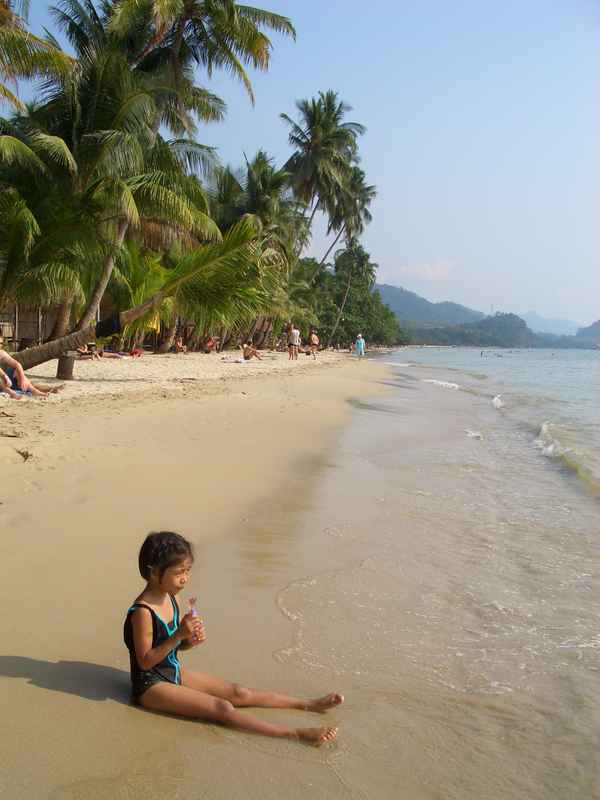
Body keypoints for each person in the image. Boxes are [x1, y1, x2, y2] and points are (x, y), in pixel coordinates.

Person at [124, 532, 341, 745]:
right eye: (179, 572)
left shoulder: (172, 597)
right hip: (150, 686)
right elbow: (145, 661)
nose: (185, 578)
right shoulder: (143, 611)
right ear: (154, 573)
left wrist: (189, 640)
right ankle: (294, 734)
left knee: (239, 692)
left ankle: (308, 704)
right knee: (222, 708)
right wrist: (179, 634)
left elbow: (173, 648)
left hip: (171, 670)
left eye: (188, 570)